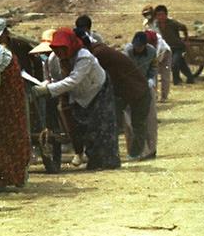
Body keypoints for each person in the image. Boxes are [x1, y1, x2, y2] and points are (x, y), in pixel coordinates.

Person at [32, 28, 120, 171]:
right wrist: (43, 86)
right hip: (77, 95)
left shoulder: (84, 57)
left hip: (97, 91)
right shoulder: (53, 59)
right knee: (84, 128)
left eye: (63, 49)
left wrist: (48, 90)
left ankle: (107, 162)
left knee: (101, 127)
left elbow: (73, 80)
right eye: (57, 49)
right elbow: (52, 79)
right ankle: (94, 160)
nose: (60, 53)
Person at [79, 31, 151, 160]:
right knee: (117, 123)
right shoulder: (98, 50)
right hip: (125, 91)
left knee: (136, 123)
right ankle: (123, 153)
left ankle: (134, 154)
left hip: (136, 91)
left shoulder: (96, 54)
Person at [0, 19, 31, 190]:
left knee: (6, 136)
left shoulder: (7, 50)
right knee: (3, 136)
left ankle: (8, 178)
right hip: (3, 100)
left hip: (7, 99)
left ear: (5, 33)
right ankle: (6, 178)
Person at [124, 32, 158, 159]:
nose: (137, 48)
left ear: (145, 45)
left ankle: (151, 150)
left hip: (146, 87)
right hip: (130, 88)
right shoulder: (127, 51)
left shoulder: (152, 51)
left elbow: (154, 68)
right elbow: (125, 70)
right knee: (130, 121)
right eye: (135, 46)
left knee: (150, 120)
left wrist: (151, 79)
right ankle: (134, 152)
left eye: (139, 46)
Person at [154, 5, 194, 85]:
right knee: (181, 63)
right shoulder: (156, 25)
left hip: (178, 47)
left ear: (166, 15)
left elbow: (183, 27)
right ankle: (190, 77)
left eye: (162, 15)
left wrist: (186, 39)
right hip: (168, 48)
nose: (160, 17)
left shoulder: (173, 23)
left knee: (174, 63)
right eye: (158, 15)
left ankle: (177, 81)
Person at [145, 30, 172, 102]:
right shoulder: (145, 40)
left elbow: (156, 55)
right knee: (153, 75)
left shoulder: (159, 42)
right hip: (156, 56)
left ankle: (164, 97)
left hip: (165, 54)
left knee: (165, 76)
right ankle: (154, 95)